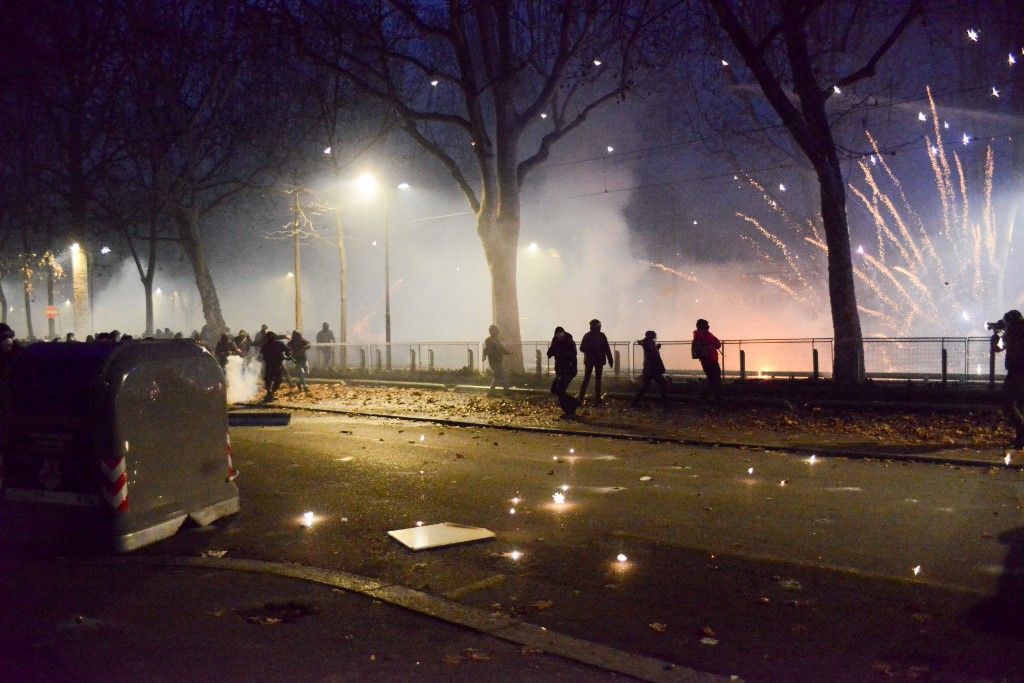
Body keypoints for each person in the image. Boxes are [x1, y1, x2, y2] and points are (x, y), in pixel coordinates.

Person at [994, 310, 1024, 449]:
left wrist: (997, 333)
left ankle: (1022, 433)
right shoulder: (1016, 332)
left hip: (1017, 373)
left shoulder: (1013, 333)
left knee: (1008, 405)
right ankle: (1020, 440)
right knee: (1020, 407)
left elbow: (997, 348)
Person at [577, 319, 614, 405]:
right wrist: (610, 359)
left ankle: (582, 398)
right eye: (599, 326)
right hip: (597, 360)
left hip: (592, 360)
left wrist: (610, 359)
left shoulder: (588, 335)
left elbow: (582, 348)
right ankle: (596, 399)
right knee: (595, 380)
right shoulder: (600, 336)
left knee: (589, 379)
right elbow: (606, 348)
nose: (600, 327)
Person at [547, 326, 579, 418]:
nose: (558, 336)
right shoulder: (556, 342)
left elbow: (573, 354)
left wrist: (560, 351)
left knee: (560, 390)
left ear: (563, 333)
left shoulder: (569, 341)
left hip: (569, 369)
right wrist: (554, 345)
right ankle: (574, 402)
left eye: (560, 334)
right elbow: (549, 353)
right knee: (554, 389)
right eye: (557, 335)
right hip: (560, 370)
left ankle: (570, 412)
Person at [692, 318, 722, 402]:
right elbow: (718, 344)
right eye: (707, 325)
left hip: (705, 360)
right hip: (711, 359)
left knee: (711, 378)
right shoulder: (706, 335)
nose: (709, 326)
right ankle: (714, 398)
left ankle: (706, 397)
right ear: (703, 326)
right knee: (716, 379)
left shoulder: (698, 335)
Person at [634, 330, 668, 403]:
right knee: (663, 384)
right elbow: (654, 356)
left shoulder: (648, 344)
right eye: (654, 336)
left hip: (648, 369)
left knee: (645, 387)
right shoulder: (649, 345)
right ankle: (665, 402)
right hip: (652, 369)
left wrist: (656, 348)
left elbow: (650, 352)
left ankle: (635, 401)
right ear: (651, 337)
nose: (655, 338)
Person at [260, 331, 292, 402]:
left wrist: (288, 355)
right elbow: (288, 350)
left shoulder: (267, 345)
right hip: (275, 365)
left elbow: (288, 350)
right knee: (275, 380)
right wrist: (288, 355)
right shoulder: (276, 344)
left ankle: (270, 394)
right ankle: (270, 394)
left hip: (272, 366)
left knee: (271, 380)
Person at [483, 325, 512, 393]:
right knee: (501, 375)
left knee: (498, 376)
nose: (498, 332)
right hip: (494, 362)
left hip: (498, 361)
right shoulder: (489, 340)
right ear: (493, 332)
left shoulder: (496, 339)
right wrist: (484, 355)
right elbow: (486, 349)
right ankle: (506, 391)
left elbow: (501, 348)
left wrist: (508, 352)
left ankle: (491, 392)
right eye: (497, 331)